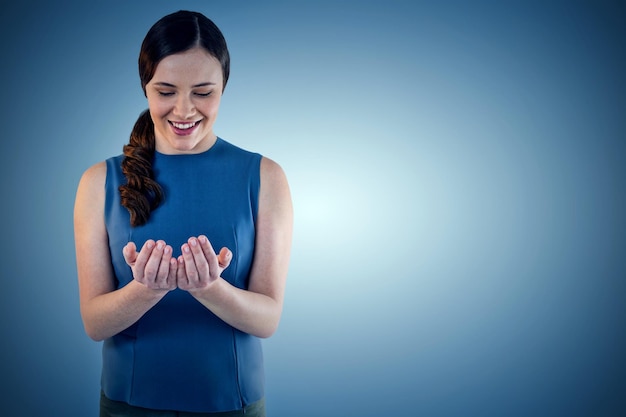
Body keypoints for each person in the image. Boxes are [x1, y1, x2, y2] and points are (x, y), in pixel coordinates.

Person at [74, 10, 293, 417]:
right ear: (145, 87)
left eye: (203, 92)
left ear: (224, 87)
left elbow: (267, 319)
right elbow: (94, 323)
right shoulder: (97, 183)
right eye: (166, 90)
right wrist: (148, 290)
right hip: (128, 405)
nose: (184, 109)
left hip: (233, 405)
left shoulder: (266, 178)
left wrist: (210, 288)